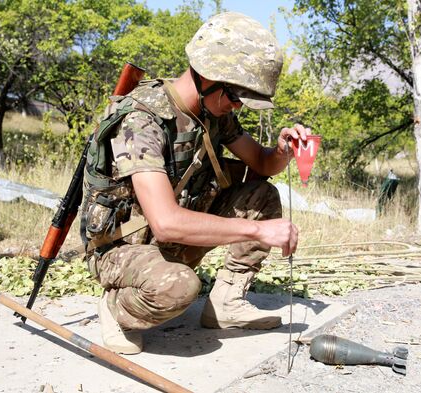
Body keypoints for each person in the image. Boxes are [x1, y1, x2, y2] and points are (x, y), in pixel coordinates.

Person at [81, 11, 310, 355]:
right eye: (234, 97)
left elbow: (262, 164)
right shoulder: (142, 122)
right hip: (123, 247)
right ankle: (118, 308)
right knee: (178, 288)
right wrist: (258, 232)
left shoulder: (213, 112)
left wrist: (282, 150)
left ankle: (227, 303)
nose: (236, 106)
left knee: (262, 195)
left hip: (172, 236)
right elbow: (167, 222)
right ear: (208, 77)